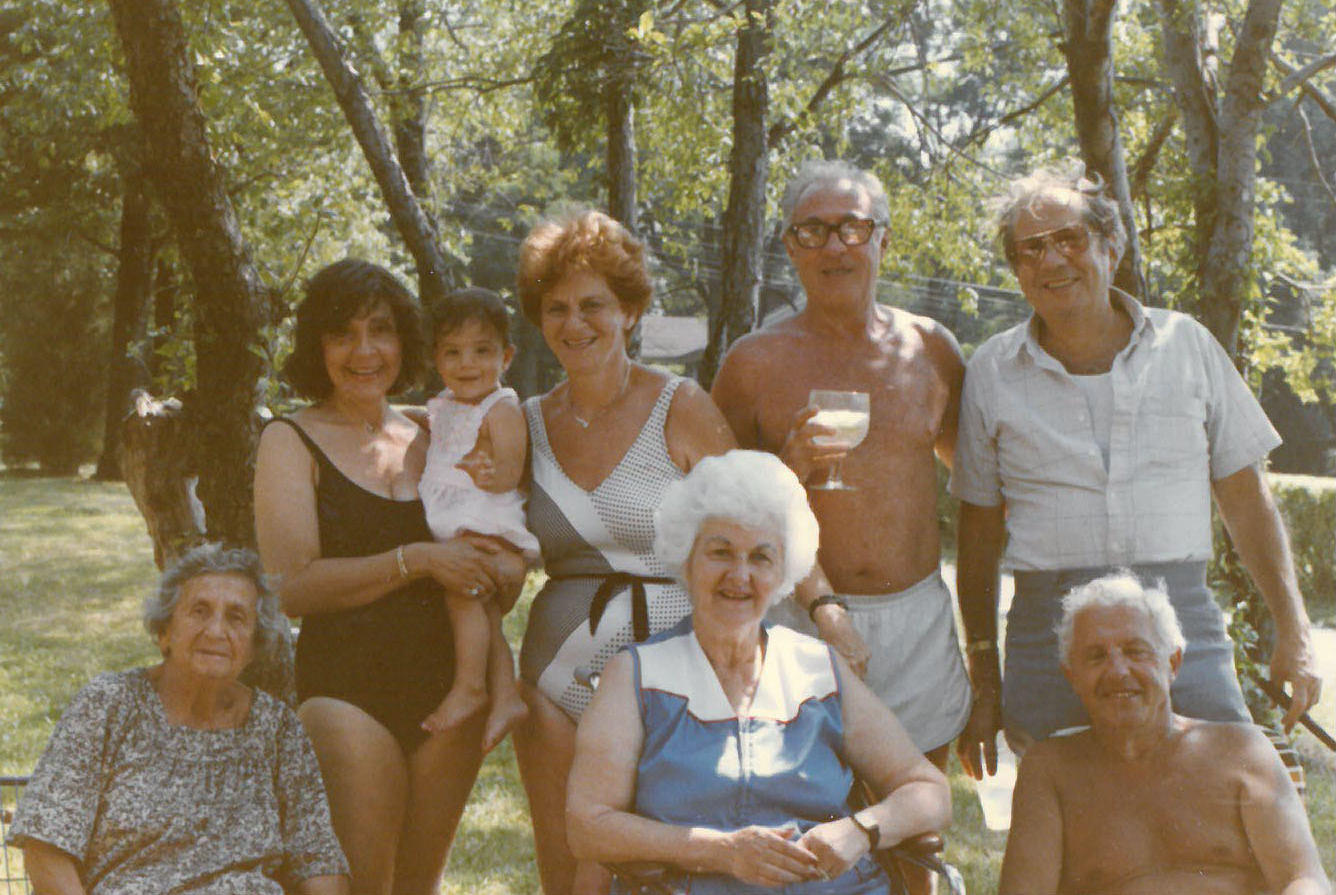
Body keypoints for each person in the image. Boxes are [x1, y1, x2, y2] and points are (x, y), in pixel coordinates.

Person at [951, 165, 1323, 775]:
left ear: (1111, 246)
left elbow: (1247, 501)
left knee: (1218, 800)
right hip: (1050, 634)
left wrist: (1294, 629)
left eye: (1070, 239)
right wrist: (986, 677)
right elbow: (979, 532)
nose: (1052, 261)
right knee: (1072, 823)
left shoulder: (1188, 345)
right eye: (1032, 249)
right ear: (1017, 269)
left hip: (1181, 623)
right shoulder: (992, 371)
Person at [254, 259, 524, 893]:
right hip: (349, 691)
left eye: (381, 329)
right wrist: (418, 561)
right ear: (316, 345)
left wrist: (504, 569)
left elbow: (496, 542)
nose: (364, 350)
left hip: (451, 690)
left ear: (406, 341)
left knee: (417, 887)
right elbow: (291, 587)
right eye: (342, 333)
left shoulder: (437, 430)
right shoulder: (290, 440)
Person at [567, 450, 952, 895]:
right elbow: (588, 825)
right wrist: (721, 851)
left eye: (761, 558)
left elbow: (929, 790)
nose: (740, 574)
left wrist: (862, 830)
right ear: (687, 561)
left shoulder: (817, 669)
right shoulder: (636, 675)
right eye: (721, 552)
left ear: (783, 571)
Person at [711, 160, 972, 771]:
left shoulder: (931, 349)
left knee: (915, 822)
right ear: (790, 248)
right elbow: (723, 511)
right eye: (813, 231)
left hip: (917, 622)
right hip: (796, 616)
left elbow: (978, 483)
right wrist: (788, 465)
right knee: (801, 816)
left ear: (883, 238)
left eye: (852, 228)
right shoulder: (752, 362)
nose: (834, 247)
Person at [513, 210, 736, 894]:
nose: (574, 324)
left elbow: (752, 524)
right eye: (556, 308)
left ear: (631, 311)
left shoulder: (682, 404)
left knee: (666, 870)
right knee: (566, 869)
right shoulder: (522, 421)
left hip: (674, 668)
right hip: (555, 672)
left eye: (594, 305)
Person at [8, 544, 350, 895]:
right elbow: (45, 848)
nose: (216, 631)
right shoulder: (109, 703)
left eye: (236, 617)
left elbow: (317, 858)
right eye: (199, 611)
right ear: (164, 632)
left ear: (253, 645)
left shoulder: (277, 728)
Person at [1000, 572, 1330, 895]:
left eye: (1135, 651)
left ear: (1172, 663)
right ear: (1072, 676)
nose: (1117, 671)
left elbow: (1303, 879)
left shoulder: (1242, 752)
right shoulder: (1050, 770)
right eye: (1096, 656)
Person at [418, 287, 536, 750]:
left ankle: (471, 687)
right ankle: (506, 695)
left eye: (481, 351)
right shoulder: (448, 401)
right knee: (479, 605)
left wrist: (487, 472)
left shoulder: (501, 407)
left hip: (483, 517)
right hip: (457, 518)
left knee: (463, 594)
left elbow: (511, 471)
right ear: (436, 358)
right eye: (453, 352)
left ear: (505, 356)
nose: (467, 363)